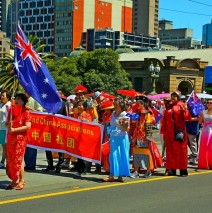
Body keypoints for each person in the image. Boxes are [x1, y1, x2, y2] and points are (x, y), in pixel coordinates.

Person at [6, 93, 31, 190]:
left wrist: (15, 130)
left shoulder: (26, 112)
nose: (16, 100)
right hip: (11, 138)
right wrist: (8, 124)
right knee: (11, 159)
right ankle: (14, 180)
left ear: (23, 101)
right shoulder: (12, 111)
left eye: (19, 99)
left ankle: (21, 180)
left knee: (18, 159)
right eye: (16, 98)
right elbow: (7, 124)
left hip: (20, 139)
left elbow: (28, 126)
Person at [162, 91, 190, 177]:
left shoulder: (182, 105)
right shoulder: (168, 106)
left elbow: (187, 118)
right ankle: (171, 169)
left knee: (181, 151)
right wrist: (163, 131)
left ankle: (183, 170)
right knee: (170, 152)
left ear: (178, 97)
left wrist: (185, 109)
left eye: (175, 96)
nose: (173, 98)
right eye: (172, 96)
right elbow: (165, 119)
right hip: (169, 133)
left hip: (179, 132)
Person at [103, 97, 130, 182]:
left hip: (122, 138)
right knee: (113, 155)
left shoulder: (124, 114)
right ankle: (111, 175)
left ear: (121, 105)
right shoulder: (114, 113)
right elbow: (111, 124)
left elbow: (127, 128)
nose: (114, 106)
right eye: (114, 104)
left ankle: (120, 175)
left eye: (116, 104)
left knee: (121, 155)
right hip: (113, 137)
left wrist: (122, 124)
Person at [131, 97, 155, 178]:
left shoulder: (147, 113)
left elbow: (148, 125)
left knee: (146, 154)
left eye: (139, 103)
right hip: (136, 136)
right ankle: (136, 171)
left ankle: (148, 170)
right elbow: (134, 125)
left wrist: (148, 137)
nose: (137, 105)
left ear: (142, 104)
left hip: (143, 136)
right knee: (136, 154)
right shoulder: (137, 113)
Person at [42, 94, 67, 173]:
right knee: (47, 146)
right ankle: (50, 165)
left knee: (60, 147)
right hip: (49, 128)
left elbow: (66, 116)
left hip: (59, 128)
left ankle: (59, 165)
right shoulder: (48, 103)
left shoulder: (63, 104)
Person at [24, 92, 43, 171]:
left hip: (33, 126)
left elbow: (40, 111)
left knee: (31, 146)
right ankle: (27, 164)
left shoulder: (35, 99)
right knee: (25, 147)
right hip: (24, 126)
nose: (26, 92)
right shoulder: (22, 100)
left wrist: (29, 109)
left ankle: (32, 165)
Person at [75, 100, 92, 177]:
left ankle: (85, 169)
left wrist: (85, 121)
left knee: (84, 153)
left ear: (84, 107)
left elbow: (90, 124)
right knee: (79, 153)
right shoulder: (77, 115)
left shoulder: (87, 115)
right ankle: (79, 169)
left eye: (81, 105)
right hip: (78, 136)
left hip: (85, 136)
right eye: (78, 105)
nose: (79, 107)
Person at [198, 99, 212, 169]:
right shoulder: (203, 112)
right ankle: (204, 163)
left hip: (211, 132)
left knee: (211, 148)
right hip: (205, 131)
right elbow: (200, 122)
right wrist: (200, 116)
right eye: (208, 103)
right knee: (204, 147)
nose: (209, 104)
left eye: (210, 103)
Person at [0, 90, 11, 168]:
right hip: (0, 128)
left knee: (5, 146)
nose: (1, 97)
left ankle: (3, 161)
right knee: (3, 146)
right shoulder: (1, 105)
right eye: (1, 95)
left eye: (3, 95)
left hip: (5, 129)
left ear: (8, 97)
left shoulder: (10, 105)